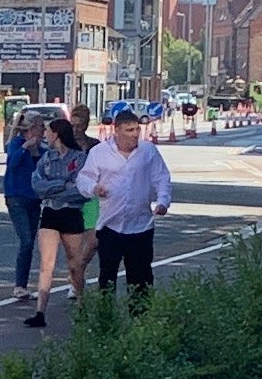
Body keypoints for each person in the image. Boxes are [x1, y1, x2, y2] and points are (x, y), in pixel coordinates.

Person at [76, 108, 171, 304]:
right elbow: (83, 179)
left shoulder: (147, 151)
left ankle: (141, 322)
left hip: (141, 226)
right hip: (111, 225)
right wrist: (94, 188)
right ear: (116, 130)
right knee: (107, 277)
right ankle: (106, 318)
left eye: (136, 129)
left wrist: (163, 201)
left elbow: (162, 177)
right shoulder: (99, 153)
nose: (135, 134)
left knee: (141, 279)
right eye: (129, 130)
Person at [24, 118, 88, 329]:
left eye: (49, 132)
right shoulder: (46, 158)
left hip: (71, 213)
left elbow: (80, 189)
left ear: (57, 134)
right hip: (50, 212)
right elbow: (37, 185)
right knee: (46, 264)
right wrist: (61, 184)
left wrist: (58, 188)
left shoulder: (79, 158)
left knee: (74, 264)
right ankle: (40, 312)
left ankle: (82, 305)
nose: (45, 136)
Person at [2, 114, 45, 301]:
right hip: (16, 196)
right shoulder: (16, 143)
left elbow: (43, 167)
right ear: (33, 128)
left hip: (34, 198)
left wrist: (36, 152)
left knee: (31, 241)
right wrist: (25, 148)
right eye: (41, 127)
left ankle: (24, 285)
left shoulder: (40, 148)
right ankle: (19, 285)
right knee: (26, 240)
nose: (44, 131)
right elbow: (12, 164)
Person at [66, 102, 101, 293]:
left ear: (86, 125)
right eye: (72, 125)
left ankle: (78, 270)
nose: (76, 130)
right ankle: (76, 281)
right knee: (74, 246)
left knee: (94, 242)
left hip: (91, 199)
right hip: (70, 200)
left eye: (79, 126)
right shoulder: (65, 146)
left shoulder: (95, 146)